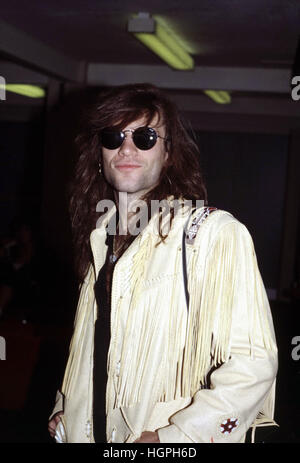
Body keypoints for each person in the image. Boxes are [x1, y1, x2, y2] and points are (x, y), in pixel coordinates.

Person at [48, 83, 278, 443]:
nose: (126, 148)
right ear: (99, 153)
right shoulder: (99, 238)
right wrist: (67, 405)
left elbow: (253, 363)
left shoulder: (212, 234)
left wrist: (176, 437)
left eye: (145, 136)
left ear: (168, 153)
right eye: (113, 136)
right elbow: (97, 344)